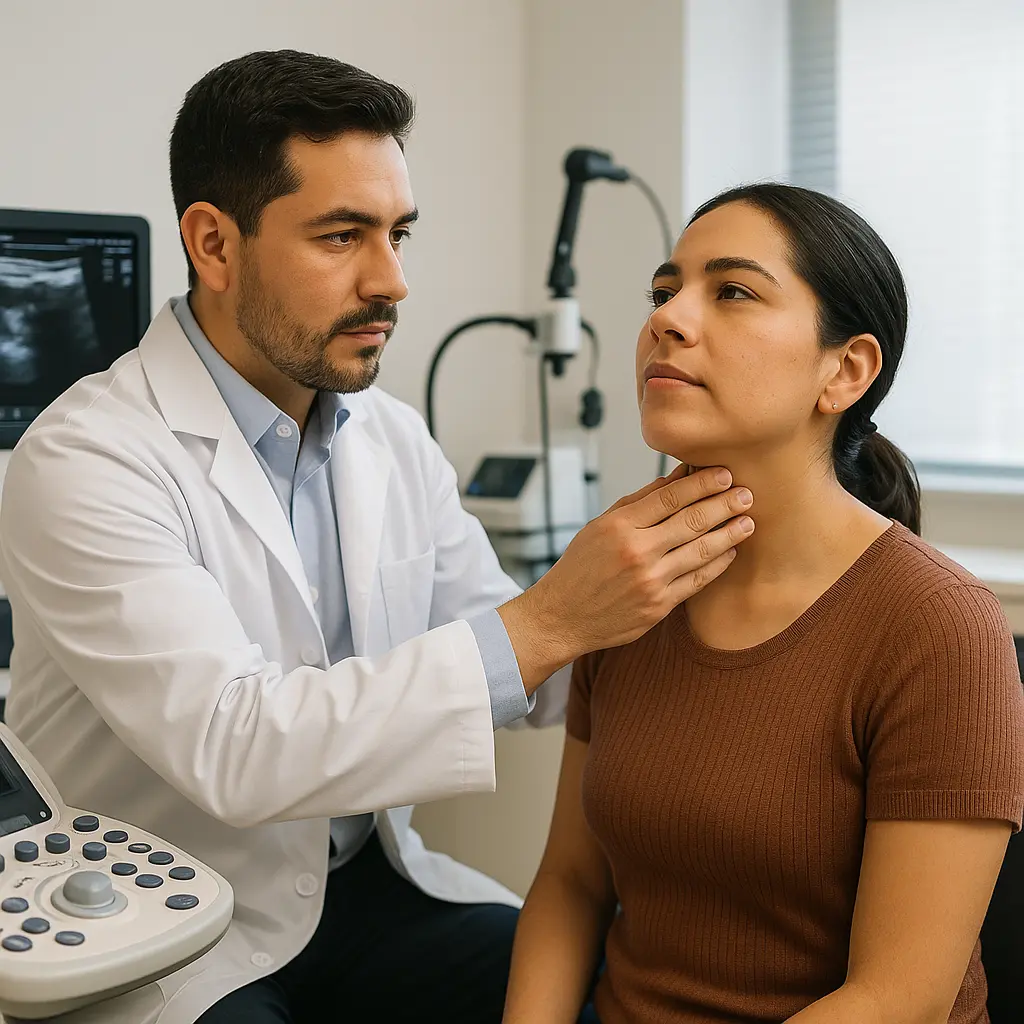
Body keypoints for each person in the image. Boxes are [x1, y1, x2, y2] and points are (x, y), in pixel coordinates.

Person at [0, 52, 756, 1024]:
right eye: (343, 235)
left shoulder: (389, 436)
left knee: (591, 991)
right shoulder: (84, 455)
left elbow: (519, 658)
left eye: (398, 233)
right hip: (168, 928)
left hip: (367, 893)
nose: (391, 280)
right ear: (214, 244)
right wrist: (553, 618)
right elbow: (237, 748)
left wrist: (718, 631)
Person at [503, 183, 1024, 1024]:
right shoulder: (623, 579)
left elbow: (903, 998)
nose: (668, 318)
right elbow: (569, 883)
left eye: (733, 291)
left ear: (844, 371)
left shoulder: (938, 625)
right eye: (664, 291)